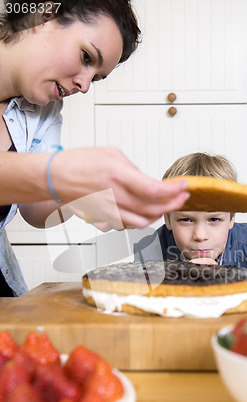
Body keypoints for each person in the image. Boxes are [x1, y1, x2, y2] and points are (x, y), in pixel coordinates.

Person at [0, 0, 189, 296]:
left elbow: (34, 210)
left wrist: (80, 195)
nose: (85, 85)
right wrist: (68, 173)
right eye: (86, 57)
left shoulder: (44, 112)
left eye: (97, 77)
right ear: (45, 15)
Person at [134, 152, 247, 282]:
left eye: (214, 219)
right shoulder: (149, 253)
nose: (200, 235)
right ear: (167, 219)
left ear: (232, 218)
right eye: (186, 220)